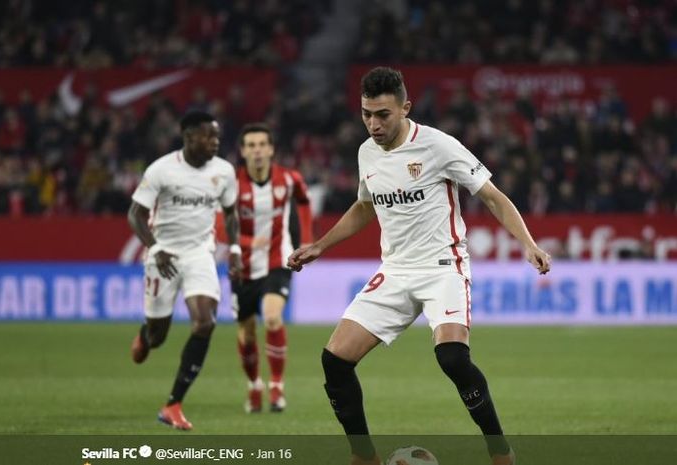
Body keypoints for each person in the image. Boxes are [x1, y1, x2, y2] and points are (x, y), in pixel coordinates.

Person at [287, 67, 551, 465]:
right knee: (334, 360)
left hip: (443, 266)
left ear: (405, 108)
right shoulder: (366, 152)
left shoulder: (439, 146)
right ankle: (364, 456)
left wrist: (528, 244)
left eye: (382, 115)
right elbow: (364, 207)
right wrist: (320, 246)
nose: (373, 124)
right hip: (394, 270)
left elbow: (494, 197)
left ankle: (500, 452)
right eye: (366, 114)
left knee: (452, 359)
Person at [128, 110, 241, 431]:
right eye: (208, 136)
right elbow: (136, 214)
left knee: (205, 323)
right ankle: (146, 336)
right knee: (158, 335)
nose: (215, 142)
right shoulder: (162, 170)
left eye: (217, 136)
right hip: (163, 255)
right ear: (188, 137)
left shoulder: (224, 171)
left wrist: (233, 248)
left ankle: (173, 404)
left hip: (199, 255)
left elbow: (231, 213)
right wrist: (156, 247)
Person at [232, 123, 313, 413]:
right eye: (250, 145)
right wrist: (248, 240)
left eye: (261, 144)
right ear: (243, 151)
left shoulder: (289, 179)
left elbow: (304, 201)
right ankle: (254, 384)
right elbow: (217, 226)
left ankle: (276, 386)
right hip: (241, 269)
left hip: (277, 262)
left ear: (270, 149)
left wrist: (305, 239)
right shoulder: (230, 184)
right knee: (246, 332)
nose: (256, 150)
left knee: (272, 318)